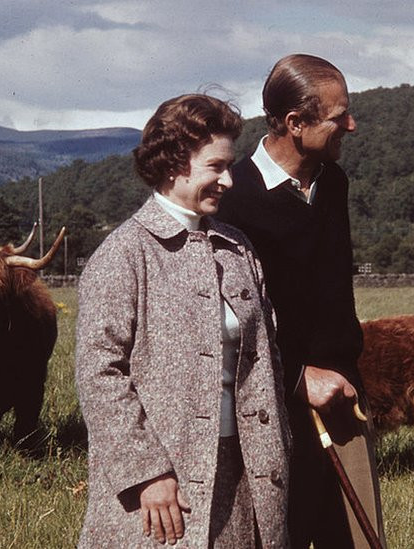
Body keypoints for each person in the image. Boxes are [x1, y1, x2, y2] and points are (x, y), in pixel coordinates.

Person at [75, 94, 290, 548]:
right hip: (161, 486)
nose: (228, 180)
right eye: (215, 167)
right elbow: (99, 375)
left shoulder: (238, 249)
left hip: (245, 472)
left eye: (229, 166)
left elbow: (268, 357)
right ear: (174, 163)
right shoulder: (123, 255)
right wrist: (146, 473)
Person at [215, 54, 385, 548]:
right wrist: (296, 377)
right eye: (338, 116)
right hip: (266, 405)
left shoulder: (333, 183)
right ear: (295, 123)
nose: (351, 125)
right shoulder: (232, 199)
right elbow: (226, 320)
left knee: (353, 536)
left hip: (342, 398)